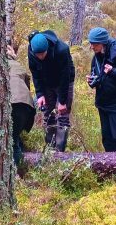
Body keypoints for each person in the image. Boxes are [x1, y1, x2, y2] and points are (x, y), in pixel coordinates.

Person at [27, 30, 75, 151]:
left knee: (62, 115)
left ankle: (59, 152)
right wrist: (40, 94)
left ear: (48, 48)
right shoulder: (31, 49)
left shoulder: (62, 50)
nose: (40, 57)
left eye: (43, 54)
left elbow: (65, 77)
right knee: (48, 114)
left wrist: (62, 101)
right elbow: (35, 73)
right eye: (38, 54)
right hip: (46, 83)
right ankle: (50, 149)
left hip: (63, 82)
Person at [7, 44, 36, 174]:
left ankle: (15, 175)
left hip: (10, 104)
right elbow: (27, 88)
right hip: (25, 106)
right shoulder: (19, 66)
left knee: (11, 140)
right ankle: (18, 170)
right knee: (14, 137)